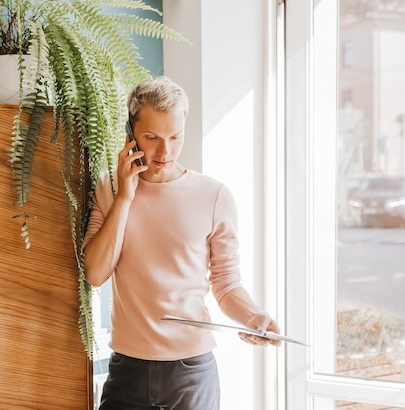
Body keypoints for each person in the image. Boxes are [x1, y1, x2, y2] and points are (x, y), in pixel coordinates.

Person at [83, 76, 280, 410]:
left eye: (176, 137)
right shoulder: (109, 188)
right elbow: (95, 274)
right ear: (130, 135)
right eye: (152, 138)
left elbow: (227, 284)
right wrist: (125, 198)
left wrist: (254, 317)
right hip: (127, 369)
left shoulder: (214, 196)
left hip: (191, 374)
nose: (165, 151)